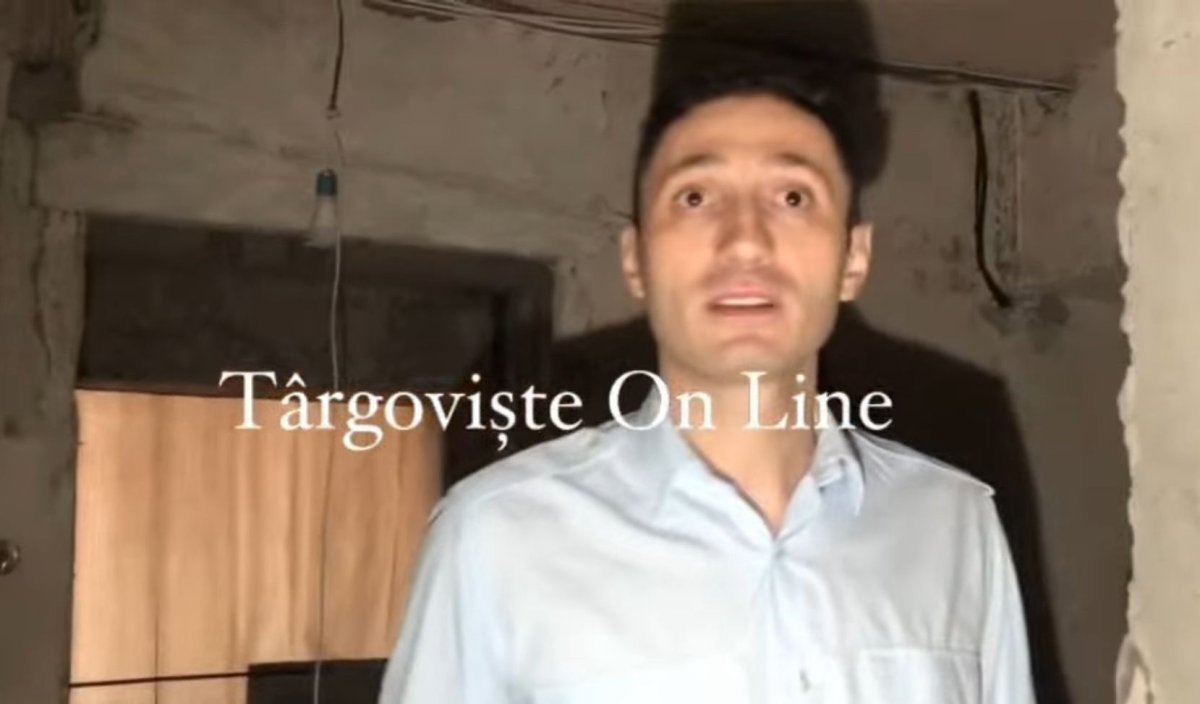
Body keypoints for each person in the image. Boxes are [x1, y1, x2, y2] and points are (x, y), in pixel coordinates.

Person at [378, 51, 1036, 704]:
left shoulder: (955, 525)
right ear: (636, 260)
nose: (745, 241)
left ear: (853, 258)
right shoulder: (494, 538)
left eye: (793, 197)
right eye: (695, 198)